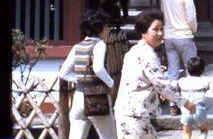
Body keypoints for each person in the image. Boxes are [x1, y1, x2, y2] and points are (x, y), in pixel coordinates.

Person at [114, 9, 196, 138]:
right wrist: (184, 102)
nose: (160, 33)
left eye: (162, 29)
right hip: (136, 114)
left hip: (130, 111)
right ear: (143, 32)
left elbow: (144, 78)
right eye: (155, 29)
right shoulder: (148, 55)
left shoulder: (135, 50)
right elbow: (161, 85)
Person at [59, 10, 117, 138]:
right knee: (109, 137)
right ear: (99, 27)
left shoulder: (77, 46)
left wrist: (79, 80)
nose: (109, 29)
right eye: (107, 26)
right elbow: (98, 69)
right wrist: (111, 83)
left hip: (79, 97)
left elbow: (63, 73)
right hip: (97, 97)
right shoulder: (100, 45)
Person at [161, 0, 198, 115]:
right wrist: (194, 30)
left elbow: (163, 16)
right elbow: (191, 17)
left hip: (169, 36)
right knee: (191, 70)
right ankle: (190, 102)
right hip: (184, 34)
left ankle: (173, 104)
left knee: (173, 72)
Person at [178, 56, 213, 139]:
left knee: (186, 132)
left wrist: (163, 94)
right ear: (203, 70)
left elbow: (171, 88)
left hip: (186, 109)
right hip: (199, 109)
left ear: (187, 70)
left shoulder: (181, 81)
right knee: (204, 129)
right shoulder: (205, 81)